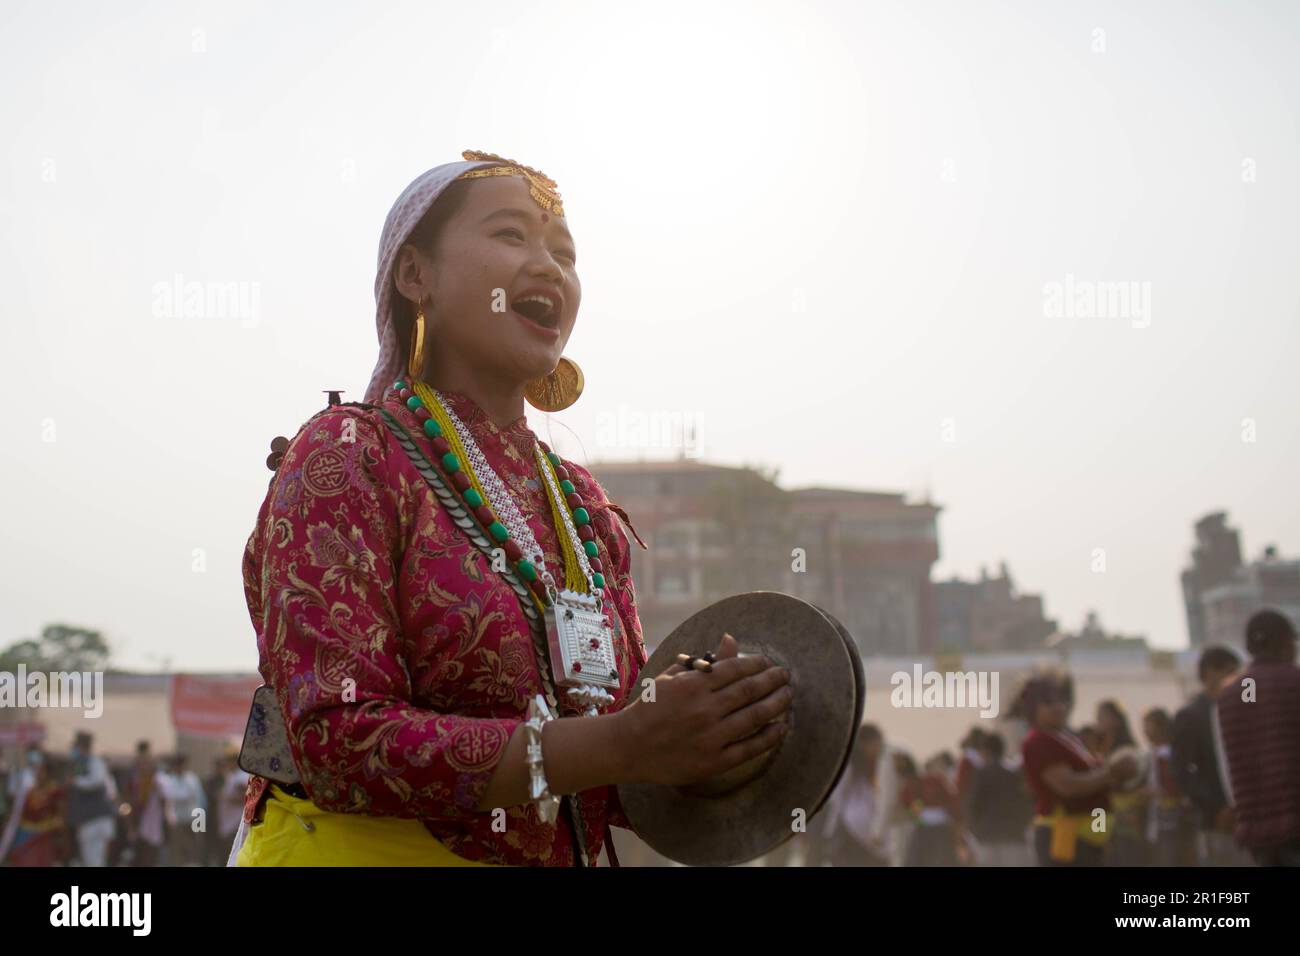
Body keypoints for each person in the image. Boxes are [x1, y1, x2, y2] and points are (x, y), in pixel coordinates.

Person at [233, 151, 792, 866]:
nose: (548, 266)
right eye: (510, 236)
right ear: (415, 276)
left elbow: (602, 761)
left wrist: (719, 732)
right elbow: (340, 743)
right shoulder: (350, 456)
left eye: (564, 252)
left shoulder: (580, 502)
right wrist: (624, 742)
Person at [1015, 674, 1134, 866]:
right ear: (1032, 708)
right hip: (1065, 836)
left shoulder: (1065, 737)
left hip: (1090, 837)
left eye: (1061, 701)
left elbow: (1096, 786)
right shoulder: (1038, 741)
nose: (1058, 707)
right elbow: (1068, 786)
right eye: (1048, 702)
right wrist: (1111, 772)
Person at [1215, 609, 1300, 866]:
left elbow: (1226, 765)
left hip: (1256, 831)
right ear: (1286, 642)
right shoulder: (1294, 682)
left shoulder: (1228, 697)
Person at [1171, 645, 1248, 866]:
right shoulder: (1191, 716)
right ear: (1209, 674)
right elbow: (1182, 771)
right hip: (1218, 822)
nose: (1235, 679)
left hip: (1249, 817)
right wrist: (1215, 808)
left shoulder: (1241, 709)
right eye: (1229, 672)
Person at [813, 724, 897, 866]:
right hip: (851, 828)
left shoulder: (884, 763)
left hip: (870, 830)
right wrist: (831, 828)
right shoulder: (851, 765)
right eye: (874, 743)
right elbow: (838, 798)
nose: (877, 747)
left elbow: (887, 800)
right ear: (864, 744)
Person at [965, 732, 1033, 865]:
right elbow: (1027, 804)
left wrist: (975, 830)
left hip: (987, 837)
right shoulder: (1016, 774)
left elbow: (972, 805)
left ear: (985, 751)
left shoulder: (981, 774)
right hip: (1014, 837)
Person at [1142, 708, 1194, 866]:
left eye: (1147, 725)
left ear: (1160, 727)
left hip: (1169, 820)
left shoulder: (1165, 754)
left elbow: (1173, 789)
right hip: (1160, 820)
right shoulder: (1156, 752)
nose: (1144, 730)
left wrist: (1149, 793)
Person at [900, 753, 968, 866]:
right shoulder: (936, 781)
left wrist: (918, 818)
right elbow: (954, 805)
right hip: (938, 830)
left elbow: (911, 808)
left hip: (928, 830)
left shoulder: (917, 784)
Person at [67, 731, 117, 867]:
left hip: (96, 820)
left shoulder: (94, 762)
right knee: (90, 860)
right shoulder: (81, 763)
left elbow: (96, 781)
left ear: (82, 746)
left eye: (76, 746)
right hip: (88, 820)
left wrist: (76, 781)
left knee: (94, 860)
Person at [3, 758, 65, 867]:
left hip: (43, 836)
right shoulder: (28, 791)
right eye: (37, 771)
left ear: (49, 773)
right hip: (24, 834)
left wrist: (57, 829)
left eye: (41, 771)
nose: (38, 774)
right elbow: (18, 813)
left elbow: (60, 814)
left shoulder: (55, 791)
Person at [127, 741, 170, 866]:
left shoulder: (159, 779)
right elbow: (132, 800)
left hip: (154, 823)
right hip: (139, 822)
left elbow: (165, 800)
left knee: (151, 857)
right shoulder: (135, 778)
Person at [164, 755, 206, 866]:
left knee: (193, 849)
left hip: (192, 819)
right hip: (176, 820)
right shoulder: (169, 780)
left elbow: (199, 799)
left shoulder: (192, 779)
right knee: (177, 850)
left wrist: (200, 822)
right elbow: (170, 799)